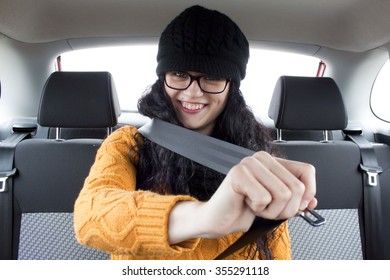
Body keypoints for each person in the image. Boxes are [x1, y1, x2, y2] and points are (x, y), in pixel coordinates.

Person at [74, 5, 317, 260]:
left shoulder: (255, 155)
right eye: (179, 74)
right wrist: (204, 216)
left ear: (231, 86)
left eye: (211, 77)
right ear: (163, 77)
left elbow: (274, 256)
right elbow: (91, 215)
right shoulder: (128, 144)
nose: (192, 92)